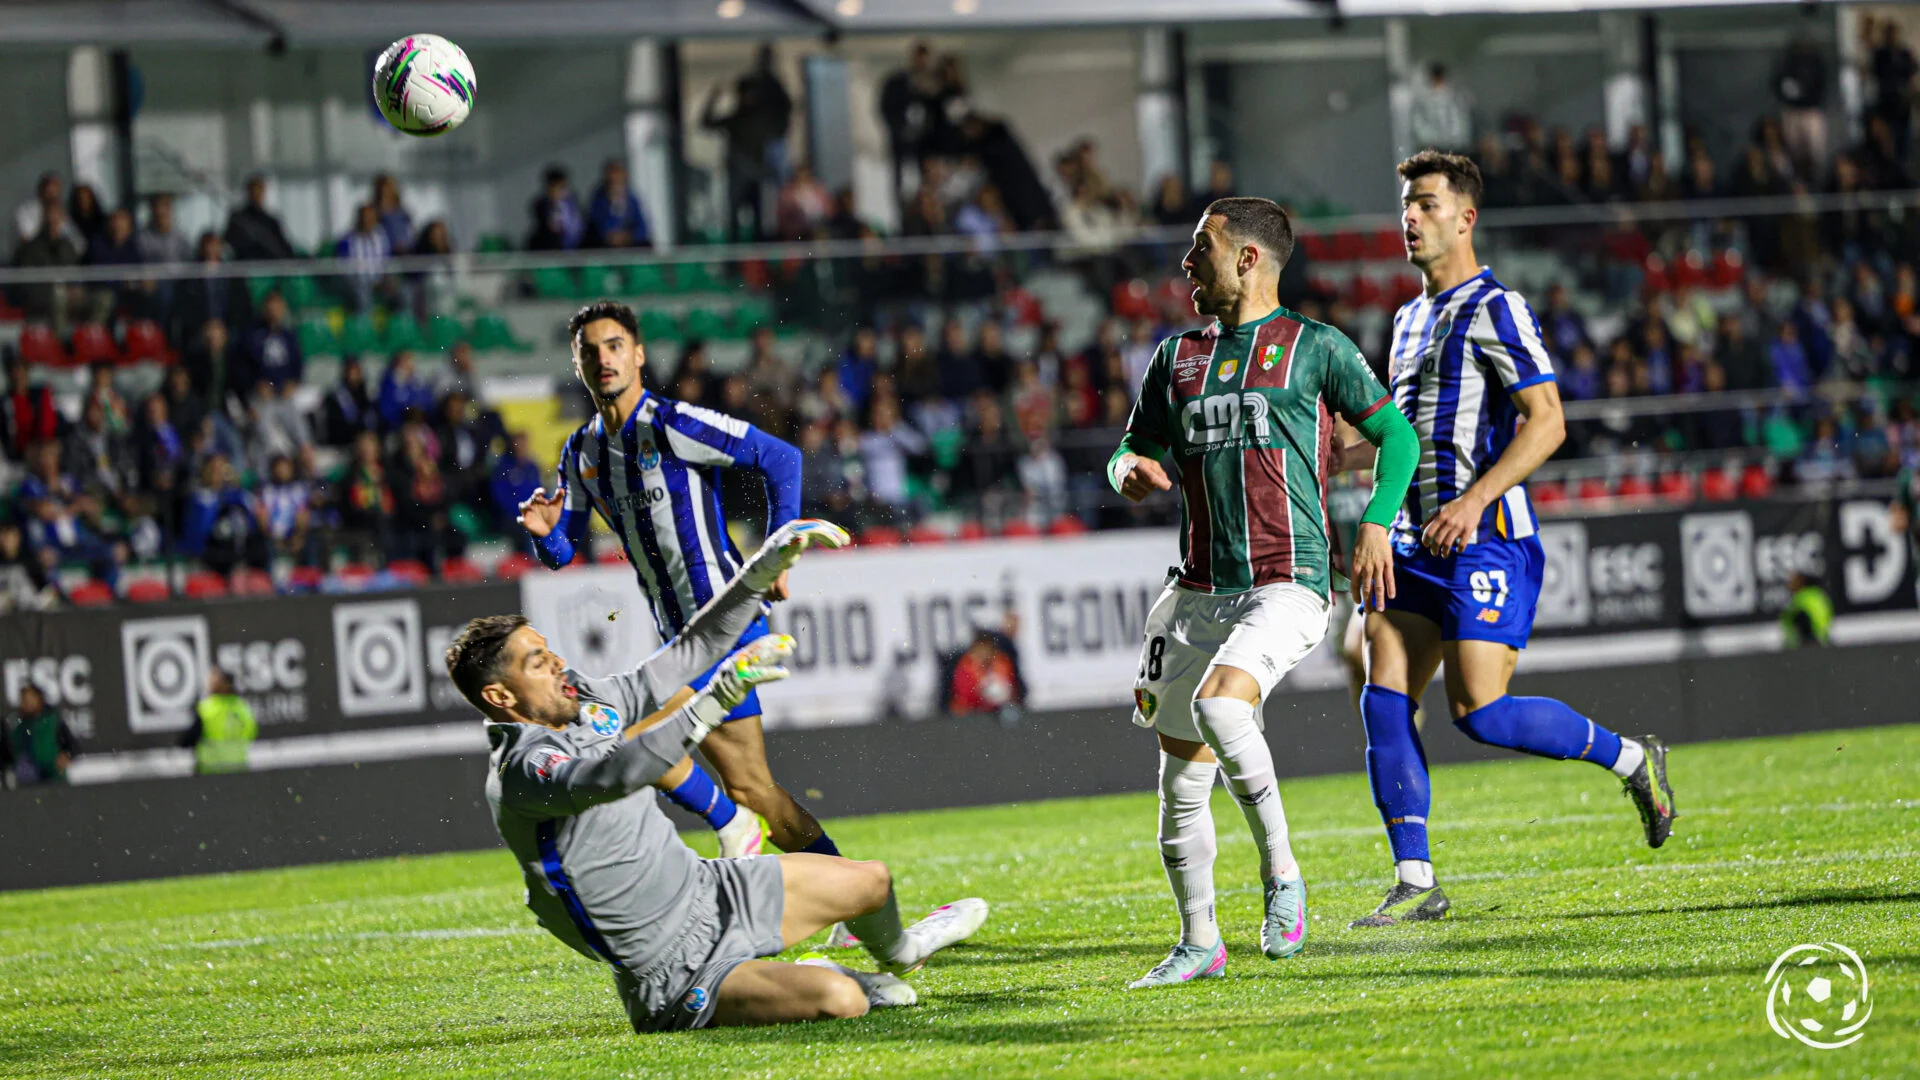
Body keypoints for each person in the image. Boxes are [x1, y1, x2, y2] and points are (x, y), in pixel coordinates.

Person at [448, 519, 986, 1032]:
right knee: (841, 1002)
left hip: (711, 891)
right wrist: (710, 705)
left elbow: (688, 653)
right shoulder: (522, 769)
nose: (559, 664)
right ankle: (830, 979)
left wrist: (759, 570)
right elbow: (614, 774)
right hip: (671, 971)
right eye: (538, 662)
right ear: (501, 696)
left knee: (871, 881)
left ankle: (905, 951)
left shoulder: (587, 700)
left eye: (550, 651)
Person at [1331, 150, 1677, 930]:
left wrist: (1476, 499)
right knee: (1379, 682)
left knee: (1479, 712)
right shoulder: (1408, 318)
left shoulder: (1496, 307)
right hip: (1416, 541)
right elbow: (1406, 438)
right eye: (1406, 205)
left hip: (1487, 540)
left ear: (1465, 216)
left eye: (1424, 203)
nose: (1409, 217)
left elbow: (1548, 420)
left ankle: (1631, 759)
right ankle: (1415, 878)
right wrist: (1337, 452)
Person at [1108, 197, 1420, 986]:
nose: (1186, 263)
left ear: (1248, 259)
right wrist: (1131, 472)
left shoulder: (1317, 348)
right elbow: (1129, 448)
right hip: (1195, 592)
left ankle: (1282, 877)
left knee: (1222, 709)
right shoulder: (1174, 356)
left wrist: (1378, 523)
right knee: (1180, 777)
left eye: (1200, 248)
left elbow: (1398, 438)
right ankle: (1198, 942)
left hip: (1288, 580)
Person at [520, 301, 834, 868]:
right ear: (577, 364)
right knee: (753, 788)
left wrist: (780, 555)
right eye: (589, 350)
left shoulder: (673, 423)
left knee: (621, 729)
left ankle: (728, 823)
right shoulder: (581, 453)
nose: (603, 358)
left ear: (637, 355)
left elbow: (781, 458)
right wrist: (544, 535)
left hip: (723, 617)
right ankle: (854, 898)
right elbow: (562, 554)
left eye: (615, 345)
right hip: (679, 637)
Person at [179, 666, 258, 774]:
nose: (209, 684)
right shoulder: (243, 708)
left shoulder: (207, 709)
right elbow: (252, 733)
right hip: (238, 769)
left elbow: (188, 741)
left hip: (211, 771)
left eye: (213, 680)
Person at [9, 684, 77, 785]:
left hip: (54, 777)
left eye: (30, 698)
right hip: (29, 781)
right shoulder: (19, 726)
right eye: (24, 699)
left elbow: (71, 745)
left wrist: (66, 755)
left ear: (39, 699)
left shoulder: (53, 721)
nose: (27, 702)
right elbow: (12, 752)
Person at [224, 175, 298, 261]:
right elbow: (230, 243)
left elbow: (283, 247)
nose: (257, 194)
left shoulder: (271, 221)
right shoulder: (238, 219)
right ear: (248, 192)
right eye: (254, 190)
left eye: (260, 190)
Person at [586, 159, 651, 249]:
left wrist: (629, 236)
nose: (616, 179)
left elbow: (642, 226)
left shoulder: (631, 199)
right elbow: (598, 225)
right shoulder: (599, 199)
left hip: (629, 241)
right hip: (606, 244)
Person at [528, 165, 585, 251]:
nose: (559, 191)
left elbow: (579, 224)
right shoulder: (541, 204)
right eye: (556, 187)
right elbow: (550, 227)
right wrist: (555, 204)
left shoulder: (573, 202)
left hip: (575, 242)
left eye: (562, 187)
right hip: (552, 245)